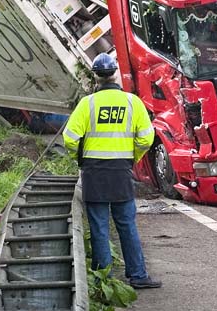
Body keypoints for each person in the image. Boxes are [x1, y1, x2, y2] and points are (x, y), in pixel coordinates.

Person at [62, 53, 162, 289]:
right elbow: (147, 138)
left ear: (95, 77)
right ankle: (138, 275)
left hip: (94, 172)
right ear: (115, 73)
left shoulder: (87, 104)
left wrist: (80, 159)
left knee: (99, 227)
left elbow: (70, 138)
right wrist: (131, 157)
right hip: (121, 171)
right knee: (127, 224)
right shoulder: (131, 102)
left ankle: (103, 280)